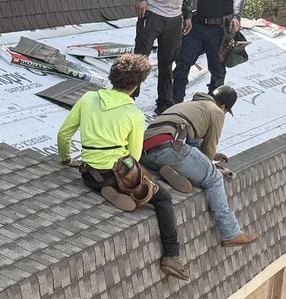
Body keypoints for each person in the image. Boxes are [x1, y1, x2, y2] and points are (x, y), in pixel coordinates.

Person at [57, 54, 188, 281]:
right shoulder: (134, 114)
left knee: (101, 172)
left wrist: (66, 159)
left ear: (112, 77)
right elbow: (134, 155)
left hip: (90, 171)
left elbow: (64, 134)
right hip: (118, 171)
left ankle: (102, 187)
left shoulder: (88, 98)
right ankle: (171, 255)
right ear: (137, 85)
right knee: (163, 198)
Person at [140, 86, 257, 247]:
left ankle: (169, 170)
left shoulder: (189, 105)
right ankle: (230, 233)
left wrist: (207, 156)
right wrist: (211, 161)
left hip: (146, 152)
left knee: (182, 158)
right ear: (223, 107)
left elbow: (189, 137)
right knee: (213, 178)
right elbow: (208, 152)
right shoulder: (215, 111)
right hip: (171, 147)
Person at [172, 0, 245, 104]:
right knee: (183, 63)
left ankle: (213, 105)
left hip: (220, 28)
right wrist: (187, 16)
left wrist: (236, 16)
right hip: (196, 25)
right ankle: (175, 101)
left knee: (217, 70)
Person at [134, 0, 192, 115]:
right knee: (139, 59)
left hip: (175, 18)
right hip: (152, 13)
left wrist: (187, 16)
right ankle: (128, 96)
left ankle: (164, 102)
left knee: (167, 62)